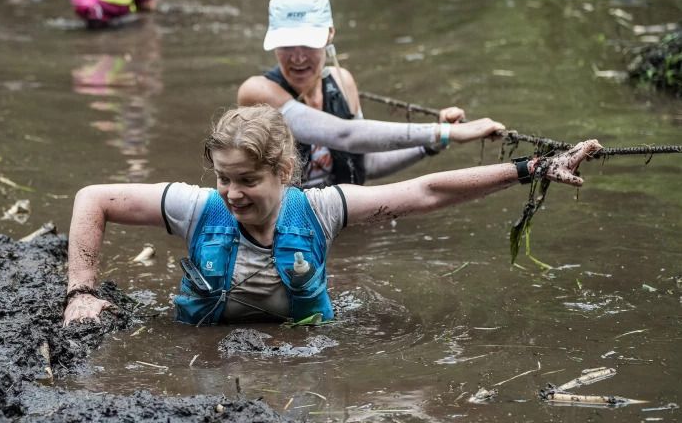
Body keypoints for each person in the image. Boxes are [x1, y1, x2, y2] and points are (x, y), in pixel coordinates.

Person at [63, 104, 601, 327]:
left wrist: (532, 167)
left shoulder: (322, 209)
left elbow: (427, 191)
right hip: (204, 351)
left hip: (304, 351)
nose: (230, 193)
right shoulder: (195, 207)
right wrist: (81, 293)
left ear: (283, 171)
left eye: (247, 181)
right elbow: (94, 198)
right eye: (224, 178)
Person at [238, 0, 506, 188]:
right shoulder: (257, 92)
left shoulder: (343, 82)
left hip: (338, 218)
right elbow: (346, 135)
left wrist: (433, 144)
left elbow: (364, 162)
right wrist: (443, 132)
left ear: (329, 34)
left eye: (308, 43)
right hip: (287, 229)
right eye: (286, 45)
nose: (297, 57)